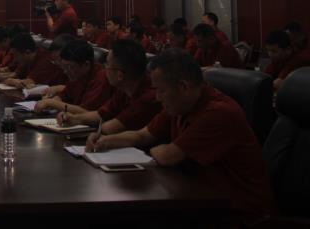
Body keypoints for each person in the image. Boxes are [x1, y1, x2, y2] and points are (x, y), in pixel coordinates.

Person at [87, 50, 274, 220]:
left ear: (184, 87)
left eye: (161, 90)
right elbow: (142, 136)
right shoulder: (180, 104)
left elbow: (168, 156)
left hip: (238, 212)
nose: (157, 97)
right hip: (198, 198)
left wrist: (157, 150)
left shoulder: (219, 112)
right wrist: (106, 141)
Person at [57, 39, 161, 134]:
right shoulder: (123, 88)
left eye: (107, 64)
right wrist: (74, 118)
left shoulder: (149, 96)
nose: (104, 68)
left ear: (120, 75)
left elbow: (110, 128)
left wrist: (83, 121)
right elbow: (101, 114)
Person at [34, 39, 114, 114]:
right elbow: (64, 96)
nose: (65, 71)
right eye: (64, 67)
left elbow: (86, 112)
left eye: (70, 67)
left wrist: (52, 103)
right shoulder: (77, 75)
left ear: (86, 64)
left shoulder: (101, 78)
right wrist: (50, 101)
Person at [3, 33, 71, 89]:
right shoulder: (26, 61)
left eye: (16, 55)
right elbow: (15, 75)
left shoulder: (45, 61)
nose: (14, 59)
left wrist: (11, 81)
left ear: (27, 52)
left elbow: (26, 83)